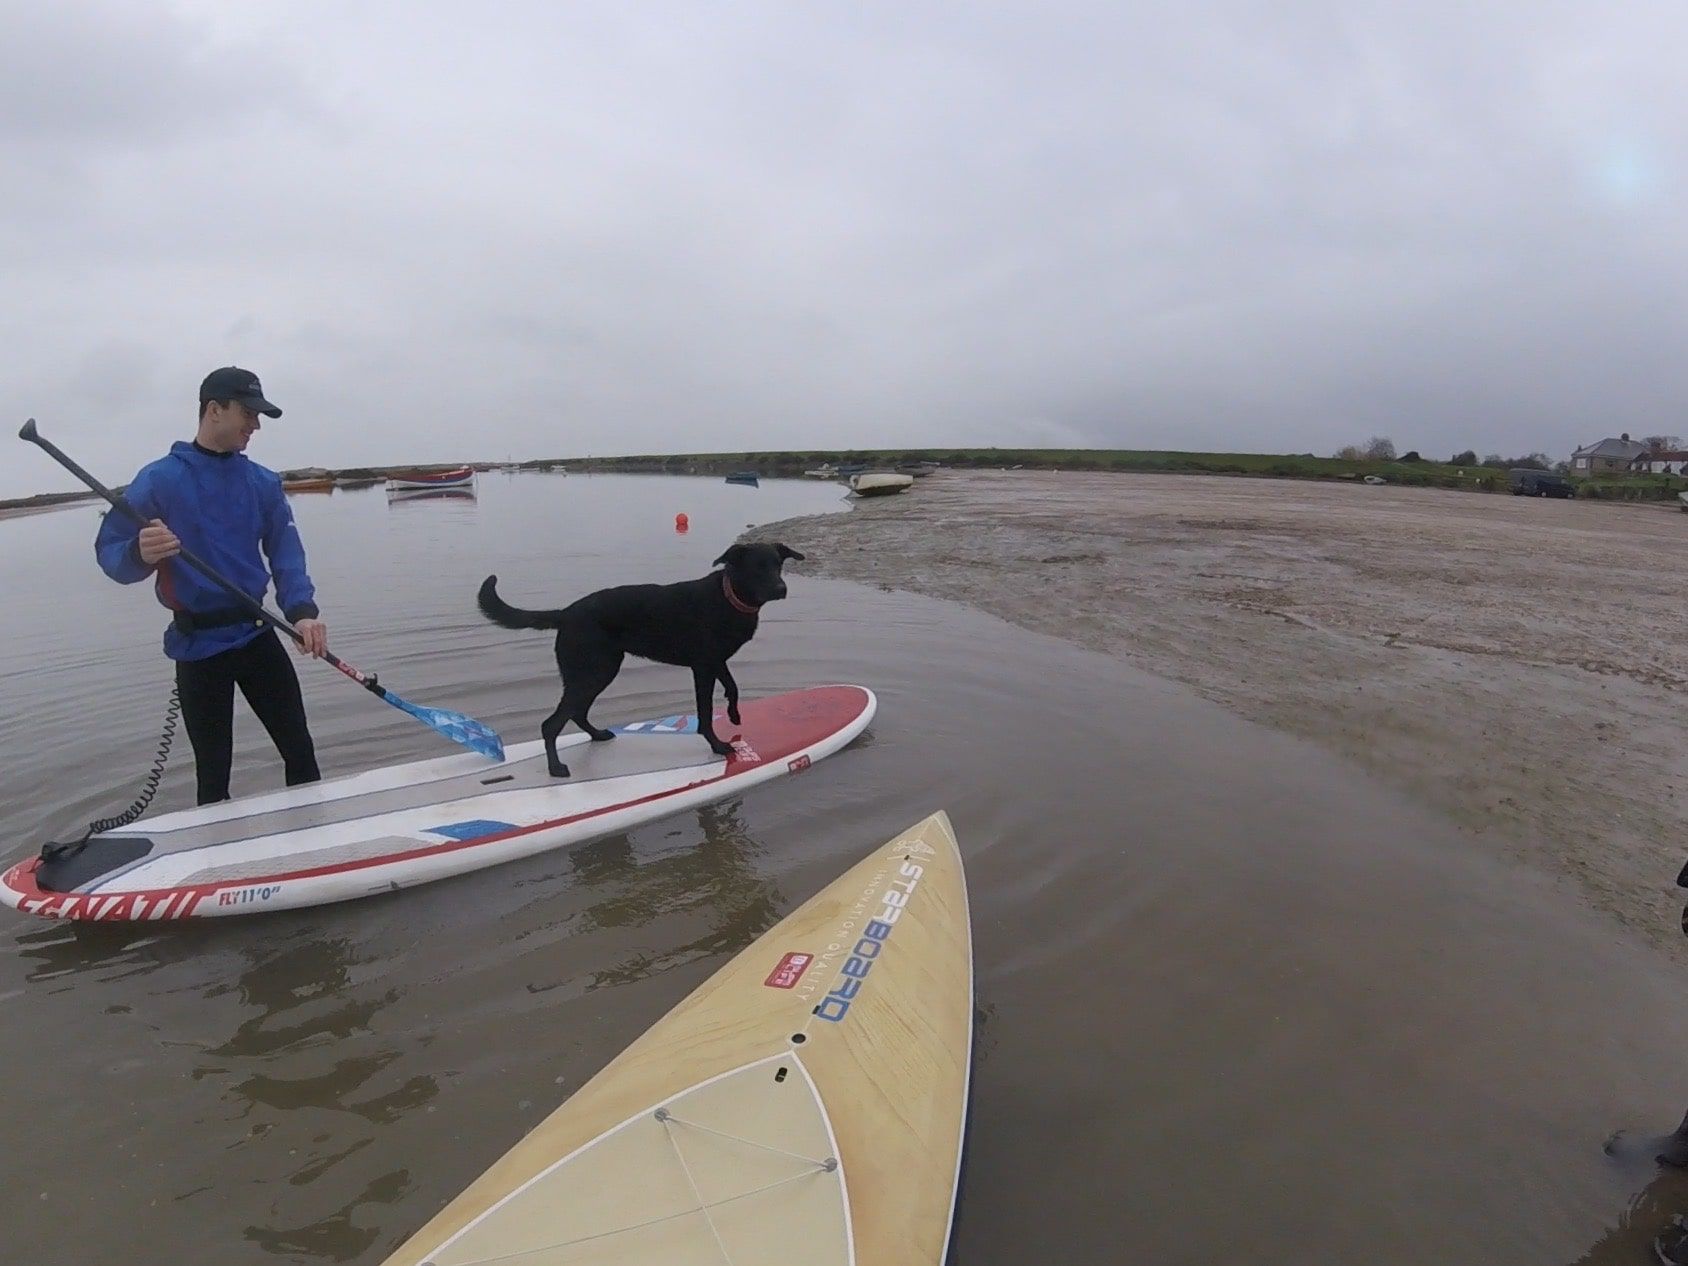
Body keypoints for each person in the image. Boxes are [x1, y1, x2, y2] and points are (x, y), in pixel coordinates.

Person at [95, 366, 329, 805]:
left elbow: (286, 553)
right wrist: (139, 553)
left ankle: (317, 840)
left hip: (257, 632)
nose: (255, 425)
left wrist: (303, 612)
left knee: (300, 750)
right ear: (214, 410)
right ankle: (212, 860)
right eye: (248, 413)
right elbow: (110, 553)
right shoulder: (159, 479)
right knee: (212, 772)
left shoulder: (262, 482)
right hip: (198, 647)